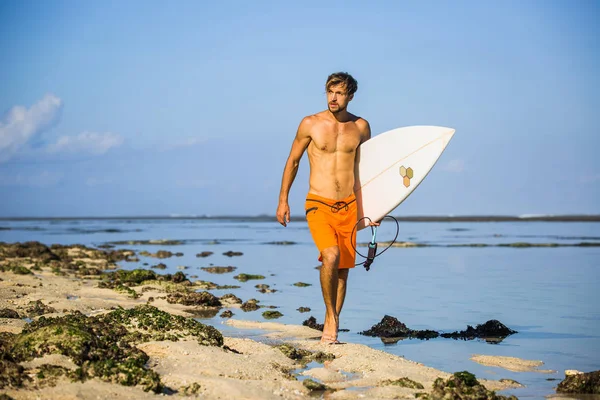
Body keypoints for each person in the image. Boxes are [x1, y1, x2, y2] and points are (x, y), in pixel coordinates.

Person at [276, 72, 373, 344]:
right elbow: (293, 161)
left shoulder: (361, 127)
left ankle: (334, 321)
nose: (333, 97)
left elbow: (368, 171)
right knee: (330, 256)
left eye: (340, 93)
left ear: (350, 96)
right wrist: (284, 199)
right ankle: (330, 318)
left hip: (350, 206)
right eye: (330, 91)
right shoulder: (311, 123)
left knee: (342, 269)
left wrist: (373, 210)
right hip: (318, 202)